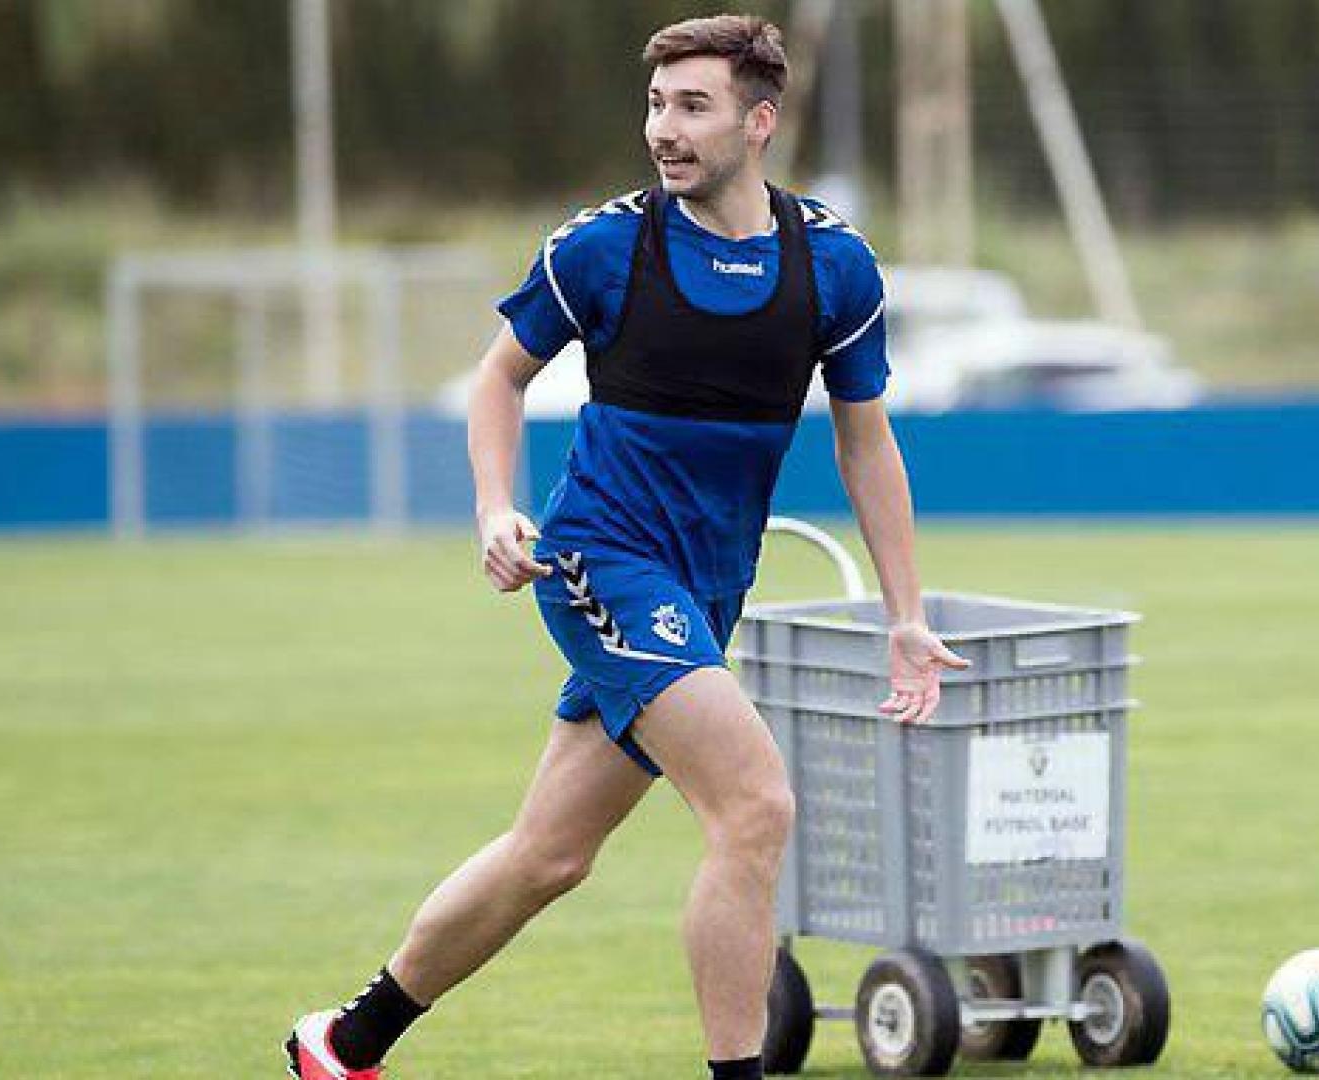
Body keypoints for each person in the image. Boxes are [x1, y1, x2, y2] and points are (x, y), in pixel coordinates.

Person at [285, 14, 967, 1080]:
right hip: (604, 560)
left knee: (549, 856)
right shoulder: (605, 247)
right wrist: (492, 507)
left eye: (692, 106)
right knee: (756, 805)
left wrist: (907, 616)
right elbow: (498, 377)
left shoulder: (834, 266)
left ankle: (343, 1041)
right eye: (656, 104)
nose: (663, 129)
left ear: (760, 120)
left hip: (706, 587)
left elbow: (867, 444)